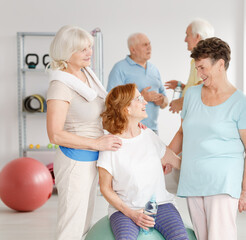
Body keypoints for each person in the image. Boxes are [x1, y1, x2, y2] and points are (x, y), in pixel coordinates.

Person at [169, 37, 246, 240]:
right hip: (193, 180)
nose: (199, 74)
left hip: (222, 183)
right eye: (197, 69)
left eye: (202, 68)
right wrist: (167, 156)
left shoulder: (241, 103)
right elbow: (182, 133)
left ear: (220, 64)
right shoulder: (191, 95)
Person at [46, 25, 122, 240]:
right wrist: (98, 143)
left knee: (84, 224)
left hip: (91, 158)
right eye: (82, 49)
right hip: (74, 162)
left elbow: (102, 113)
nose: (89, 52)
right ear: (66, 52)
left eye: (90, 47)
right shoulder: (60, 85)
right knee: (71, 226)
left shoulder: (86, 75)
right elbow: (55, 135)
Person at [97, 83, 189, 240]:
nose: (145, 102)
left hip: (161, 205)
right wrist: (131, 213)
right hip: (125, 210)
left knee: (180, 237)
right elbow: (105, 188)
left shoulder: (149, 136)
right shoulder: (110, 144)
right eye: (139, 99)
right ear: (126, 109)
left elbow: (174, 160)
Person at [107, 33, 168, 134]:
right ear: (133, 50)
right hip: (130, 130)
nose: (149, 47)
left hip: (153, 130)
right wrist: (141, 98)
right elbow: (112, 101)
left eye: (149, 44)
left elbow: (165, 101)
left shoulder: (154, 69)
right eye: (145, 45)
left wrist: (162, 100)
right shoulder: (119, 68)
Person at [165, 18, 214, 113]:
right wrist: (183, 87)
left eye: (187, 35)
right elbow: (197, 86)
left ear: (197, 37)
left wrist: (181, 102)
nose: (185, 40)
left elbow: (203, 89)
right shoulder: (195, 60)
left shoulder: (205, 60)